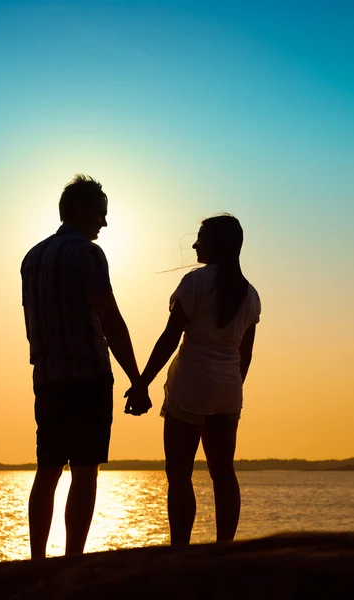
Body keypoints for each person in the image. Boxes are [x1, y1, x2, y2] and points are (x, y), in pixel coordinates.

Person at [21, 174, 151, 559]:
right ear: (79, 210)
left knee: (47, 471)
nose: (105, 223)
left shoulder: (32, 256)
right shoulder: (87, 254)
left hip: (46, 378)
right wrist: (137, 378)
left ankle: (37, 561)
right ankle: (73, 561)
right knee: (85, 469)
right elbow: (109, 317)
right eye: (100, 213)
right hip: (87, 376)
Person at [126, 214, 261, 545]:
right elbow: (247, 354)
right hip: (228, 392)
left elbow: (170, 338)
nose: (194, 244)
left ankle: (181, 550)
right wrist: (232, 387)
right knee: (223, 474)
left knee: (179, 475)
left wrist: (143, 382)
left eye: (201, 238)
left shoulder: (195, 283)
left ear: (218, 244)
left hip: (190, 388)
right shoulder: (250, 294)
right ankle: (225, 548)